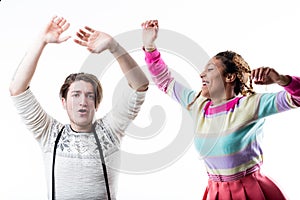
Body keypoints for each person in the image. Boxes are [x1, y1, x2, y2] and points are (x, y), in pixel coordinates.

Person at [141, 20, 300, 200]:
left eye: (209, 69)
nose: (201, 74)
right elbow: (164, 81)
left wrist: (281, 79)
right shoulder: (197, 103)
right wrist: (149, 46)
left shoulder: (249, 105)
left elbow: (297, 98)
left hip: (251, 192)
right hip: (216, 193)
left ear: (230, 77)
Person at [9, 16, 149, 200]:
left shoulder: (111, 130)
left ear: (96, 103)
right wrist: (41, 41)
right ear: (63, 102)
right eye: (75, 95)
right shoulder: (48, 133)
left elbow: (140, 86)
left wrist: (114, 47)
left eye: (89, 96)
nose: (83, 101)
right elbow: (17, 89)